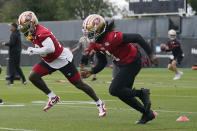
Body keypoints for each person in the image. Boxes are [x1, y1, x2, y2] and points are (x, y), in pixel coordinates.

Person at [17, 11, 106, 117]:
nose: (24, 30)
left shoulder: (41, 33)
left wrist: (34, 50)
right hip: (49, 60)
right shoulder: (32, 32)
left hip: (62, 60)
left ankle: (100, 103)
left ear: (32, 24)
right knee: (33, 76)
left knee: (79, 84)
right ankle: (52, 97)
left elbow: (51, 48)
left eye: (25, 27)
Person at [80, 14, 158, 124]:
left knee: (114, 89)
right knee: (122, 93)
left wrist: (151, 54)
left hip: (133, 61)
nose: (89, 36)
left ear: (100, 29)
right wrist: (91, 71)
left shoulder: (113, 37)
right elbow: (102, 62)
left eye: (91, 33)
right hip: (122, 64)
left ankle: (142, 93)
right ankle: (147, 114)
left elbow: (137, 37)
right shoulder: (96, 44)